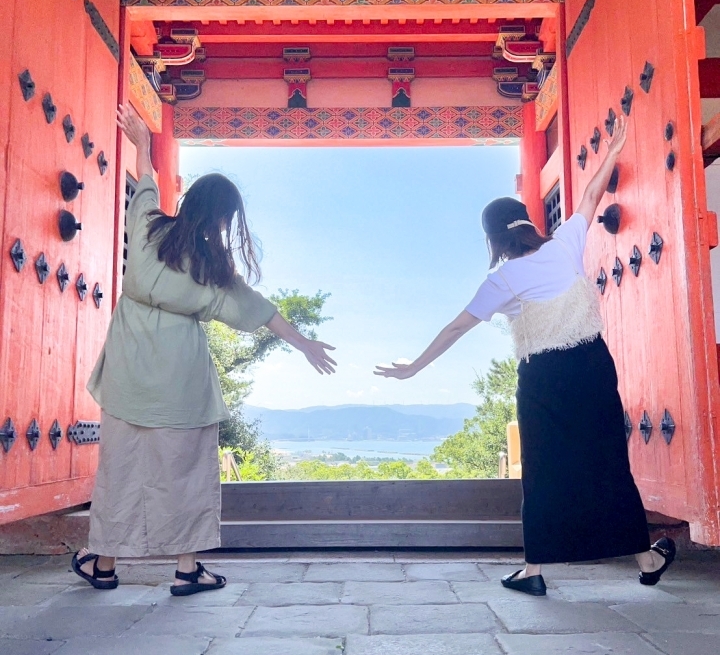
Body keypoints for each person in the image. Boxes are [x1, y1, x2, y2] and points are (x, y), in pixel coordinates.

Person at [375, 114, 675, 596]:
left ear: (493, 240)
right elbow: (591, 196)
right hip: (592, 366)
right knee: (607, 461)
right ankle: (647, 558)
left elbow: (457, 327)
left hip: (543, 379)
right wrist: (613, 151)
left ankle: (534, 570)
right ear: (529, 223)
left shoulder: (502, 280)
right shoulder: (564, 245)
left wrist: (413, 367)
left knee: (543, 469)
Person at [72, 104, 336, 596]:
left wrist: (143, 144)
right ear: (223, 219)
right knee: (187, 474)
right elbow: (259, 310)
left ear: (190, 200)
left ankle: (103, 564)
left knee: (120, 470)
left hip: (128, 374)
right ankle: (186, 569)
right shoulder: (214, 267)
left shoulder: (148, 229)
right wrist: (303, 344)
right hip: (182, 384)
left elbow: (145, 184)